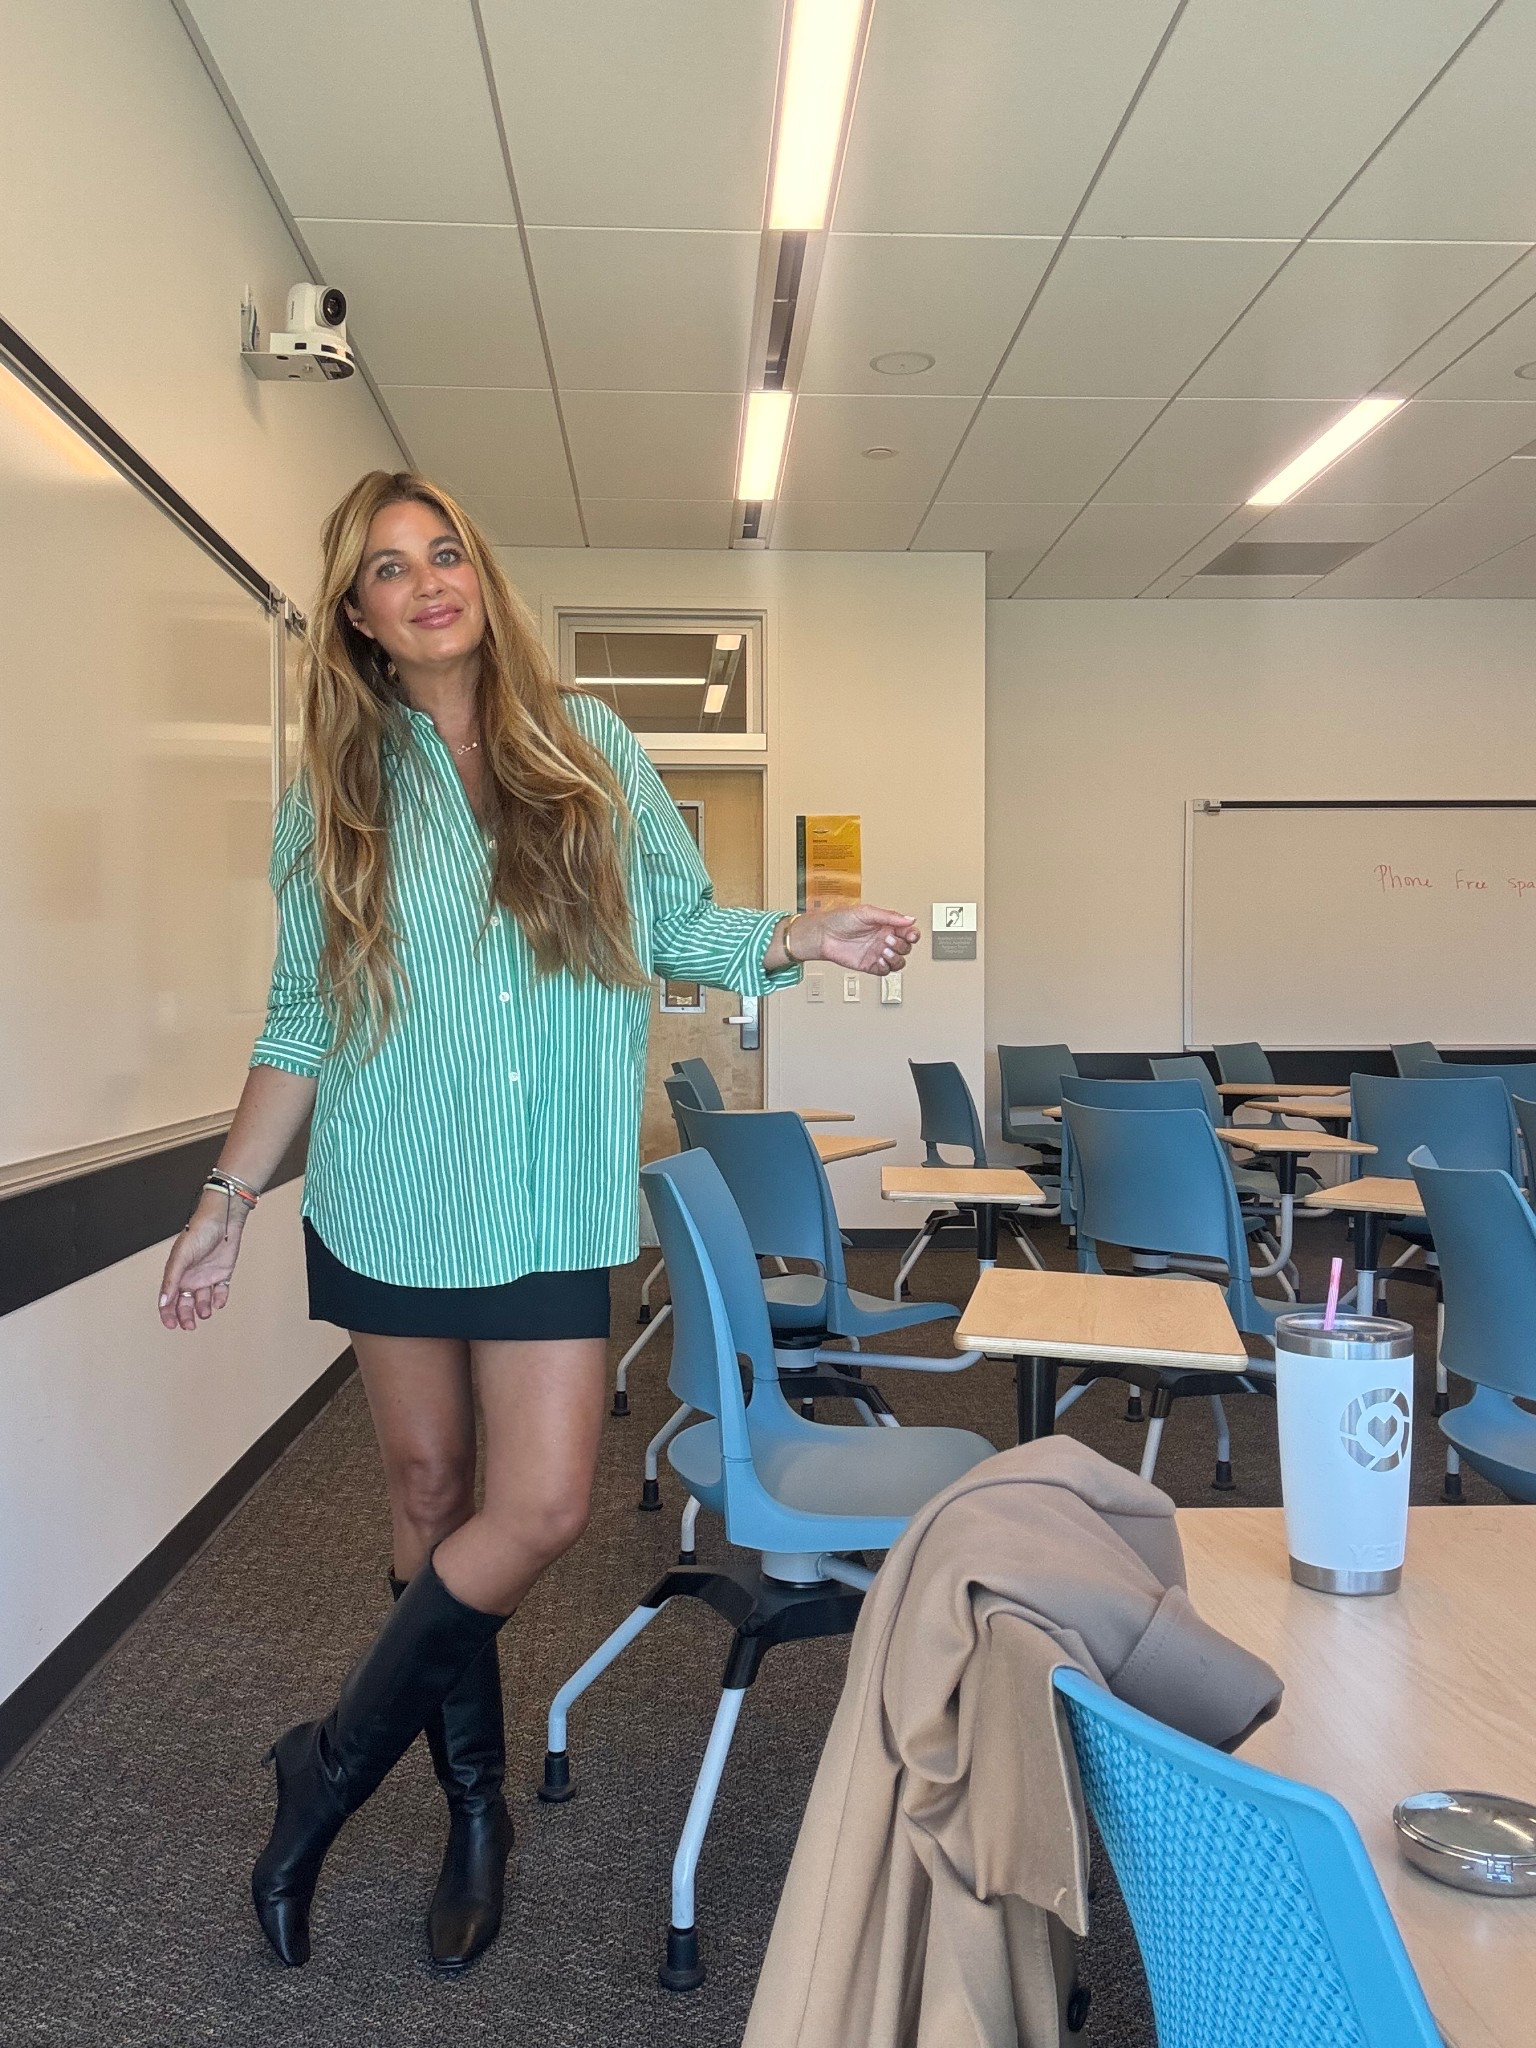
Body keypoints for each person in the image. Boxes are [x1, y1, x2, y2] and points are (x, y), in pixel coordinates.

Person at [155, 470, 918, 1973]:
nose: (426, 578)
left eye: (445, 551)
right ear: (363, 623)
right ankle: (473, 1808)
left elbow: (681, 926)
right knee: (432, 1494)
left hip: (551, 1197)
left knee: (545, 1506)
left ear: (478, 579)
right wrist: (227, 1198)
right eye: (388, 567)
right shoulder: (337, 796)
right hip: (390, 1192)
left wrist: (801, 934)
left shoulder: (590, 750)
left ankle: (330, 1763)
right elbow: (303, 1015)